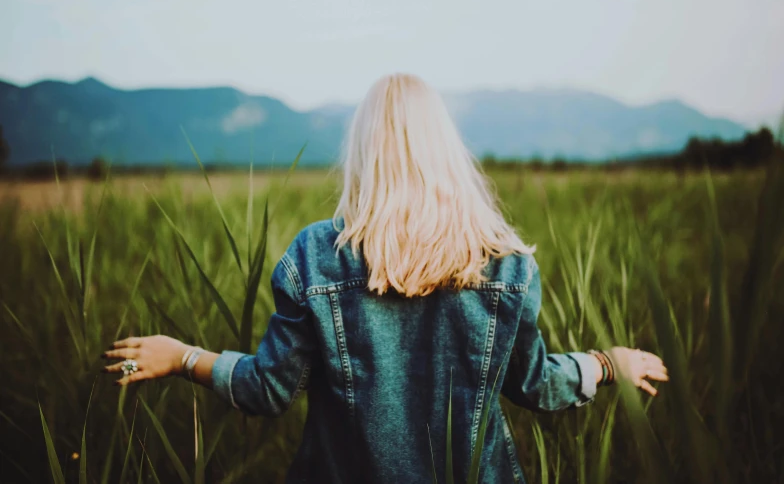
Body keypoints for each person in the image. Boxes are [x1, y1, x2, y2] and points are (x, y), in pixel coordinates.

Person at [103, 73, 669, 483]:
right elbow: (534, 385)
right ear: (446, 153)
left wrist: (180, 356)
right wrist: (604, 363)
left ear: (364, 154)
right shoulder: (506, 263)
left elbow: (268, 390)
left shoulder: (317, 256)